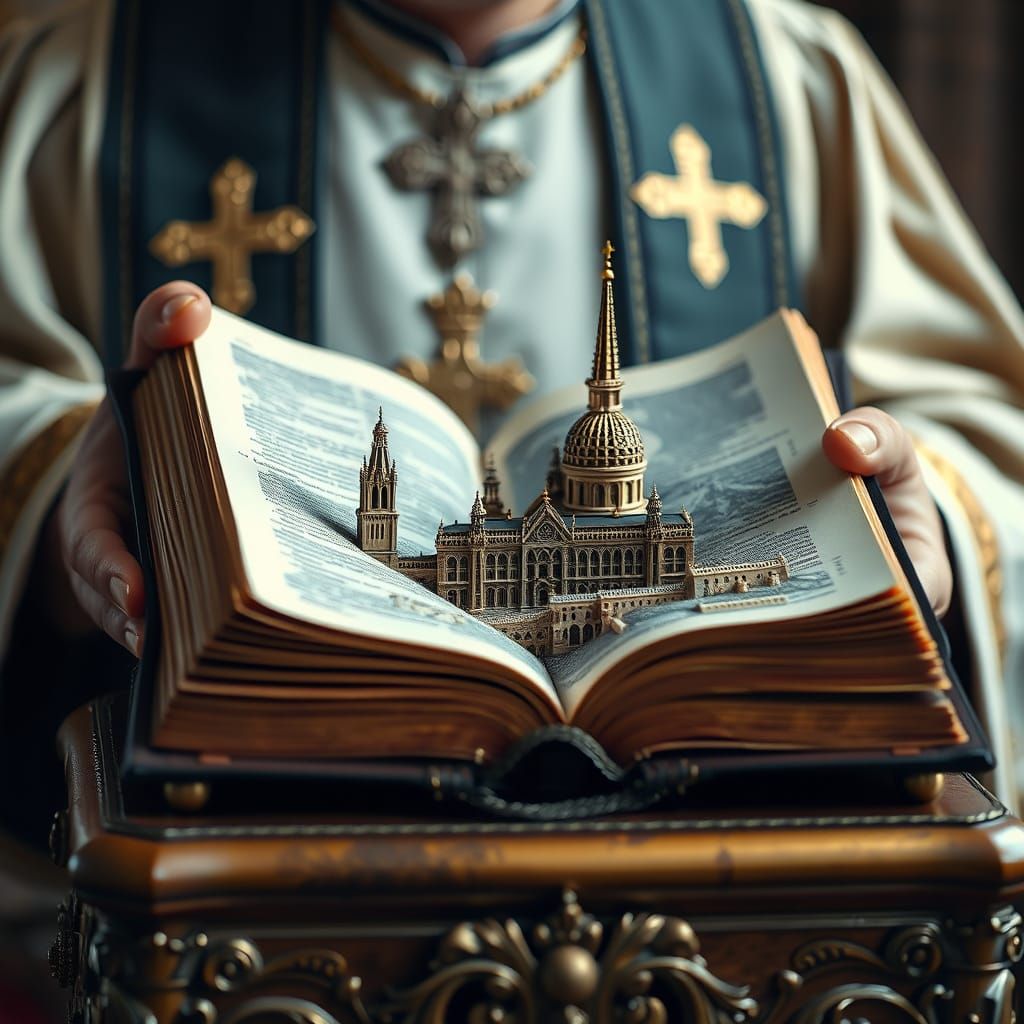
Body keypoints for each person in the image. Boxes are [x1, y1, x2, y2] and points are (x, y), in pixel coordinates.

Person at [0, 0, 1021, 836]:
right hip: (258, 870)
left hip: (718, 877)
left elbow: (979, 431)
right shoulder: (83, 76)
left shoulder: (790, 81)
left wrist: (898, 527)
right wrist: (88, 499)